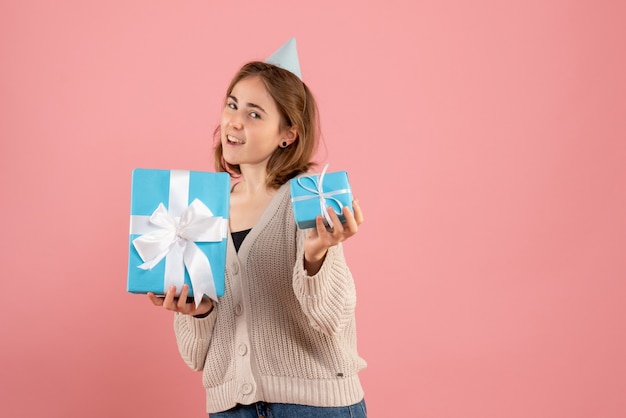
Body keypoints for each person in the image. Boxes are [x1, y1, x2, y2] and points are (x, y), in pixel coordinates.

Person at [148, 39, 367, 417]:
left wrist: (316, 255)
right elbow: (195, 357)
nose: (234, 121)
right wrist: (198, 313)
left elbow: (331, 320)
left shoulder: (306, 200)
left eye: (254, 114)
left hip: (314, 406)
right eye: (232, 105)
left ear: (288, 134)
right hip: (231, 408)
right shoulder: (199, 212)